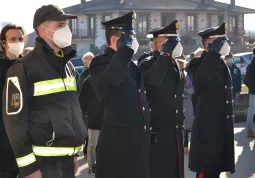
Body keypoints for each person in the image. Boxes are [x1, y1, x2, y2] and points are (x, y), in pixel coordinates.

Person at [2, 5, 87, 178]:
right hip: (42, 164)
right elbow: (14, 122)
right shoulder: (22, 68)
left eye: (66, 25)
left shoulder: (68, 65)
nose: (66, 30)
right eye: (60, 25)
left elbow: (71, 111)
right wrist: (29, 168)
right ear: (43, 29)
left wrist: (72, 153)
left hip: (66, 161)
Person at [89, 11, 150, 178]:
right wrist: (124, 51)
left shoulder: (130, 64)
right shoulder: (100, 62)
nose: (134, 41)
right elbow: (110, 82)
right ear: (116, 39)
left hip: (135, 143)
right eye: (130, 37)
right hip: (117, 147)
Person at [188, 22, 235, 177]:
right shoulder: (198, 63)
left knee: (215, 172)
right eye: (220, 42)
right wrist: (213, 54)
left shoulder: (221, 63)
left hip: (220, 130)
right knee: (206, 173)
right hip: (207, 133)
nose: (224, 45)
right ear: (209, 44)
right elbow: (199, 84)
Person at [139, 20, 184, 178]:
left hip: (175, 130)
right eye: (171, 42)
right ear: (158, 44)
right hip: (158, 132)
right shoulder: (147, 64)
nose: (176, 45)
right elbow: (153, 82)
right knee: (160, 171)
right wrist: (165, 55)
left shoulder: (175, 64)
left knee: (175, 172)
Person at [0, 23, 26, 178]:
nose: (18, 42)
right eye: (13, 39)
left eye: (20, 38)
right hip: (4, 139)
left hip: (28, 138)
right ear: (3, 43)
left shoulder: (28, 66)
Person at [78, 54, 103, 175]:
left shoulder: (105, 78)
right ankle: (92, 165)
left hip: (105, 118)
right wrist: (82, 115)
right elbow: (81, 100)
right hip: (92, 117)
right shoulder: (86, 79)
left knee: (102, 144)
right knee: (92, 144)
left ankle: (102, 164)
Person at [176, 54, 194, 156]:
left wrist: (184, 90)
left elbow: (192, 89)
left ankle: (185, 147)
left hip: (187, 102)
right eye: (180, 62)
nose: (181, 64)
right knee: (179, 125)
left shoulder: (187, 75)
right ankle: (180, 147)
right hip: (177, 103)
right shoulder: (174, 74)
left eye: (183, 62)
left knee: (186, 126)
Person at [77, 52, 94, 158]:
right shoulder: (83, 76)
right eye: (88, 60)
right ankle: (88, 153)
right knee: (89, 133)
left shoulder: (97, 72)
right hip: (87, 109)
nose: (91, 61)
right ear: (85, 63)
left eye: (92, 59)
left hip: (97, 109)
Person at [245, 49, 255, 137]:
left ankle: (249, 130)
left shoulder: (250, 66)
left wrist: (251, 87)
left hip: (252, 92)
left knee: (251, 111)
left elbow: (245, 80)